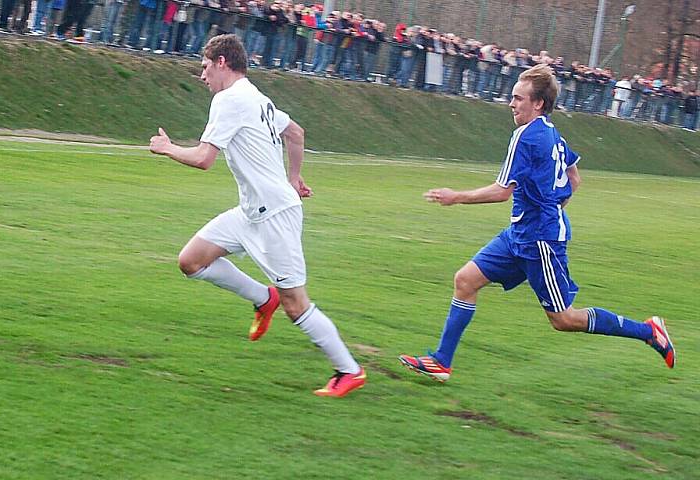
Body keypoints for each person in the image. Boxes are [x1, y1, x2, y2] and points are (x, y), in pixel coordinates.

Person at [399, 64, 675, 383]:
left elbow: (503, 192)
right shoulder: (552, 133)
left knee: (563, 319)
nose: (512, 104)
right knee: (465, 280)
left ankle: (649, 331)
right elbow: (574, 177)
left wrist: (456, 196)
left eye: (518, 98)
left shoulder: (526, 136)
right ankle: (441, 361)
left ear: (538, 103)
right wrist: (553, 204)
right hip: (519, 234)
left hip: (540, 242)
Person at [148, 34, 366, 397]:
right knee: (191, 261)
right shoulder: (256, 96)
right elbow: (295, 133)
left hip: (274, 216)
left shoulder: (229, 99)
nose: (201, 76)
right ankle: (264, 299)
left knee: (297, 304)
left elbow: (204, 159)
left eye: (204, 67)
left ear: (221, 63)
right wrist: (293, 178)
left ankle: (349, 371)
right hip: (251, 211)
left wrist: (167, 148)